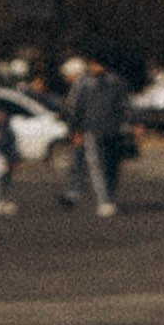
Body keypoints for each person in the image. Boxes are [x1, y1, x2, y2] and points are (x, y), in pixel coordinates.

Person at [59, 58, 129, 217]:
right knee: (96, 167)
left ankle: (108, 198)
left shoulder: (116, 82)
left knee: (111, 167)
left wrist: (133, 124)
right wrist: (75, 130)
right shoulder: (84, 84)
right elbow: (75, 108)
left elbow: (124, 105)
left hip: (112, 131)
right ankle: (103, 201)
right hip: (91, 131)